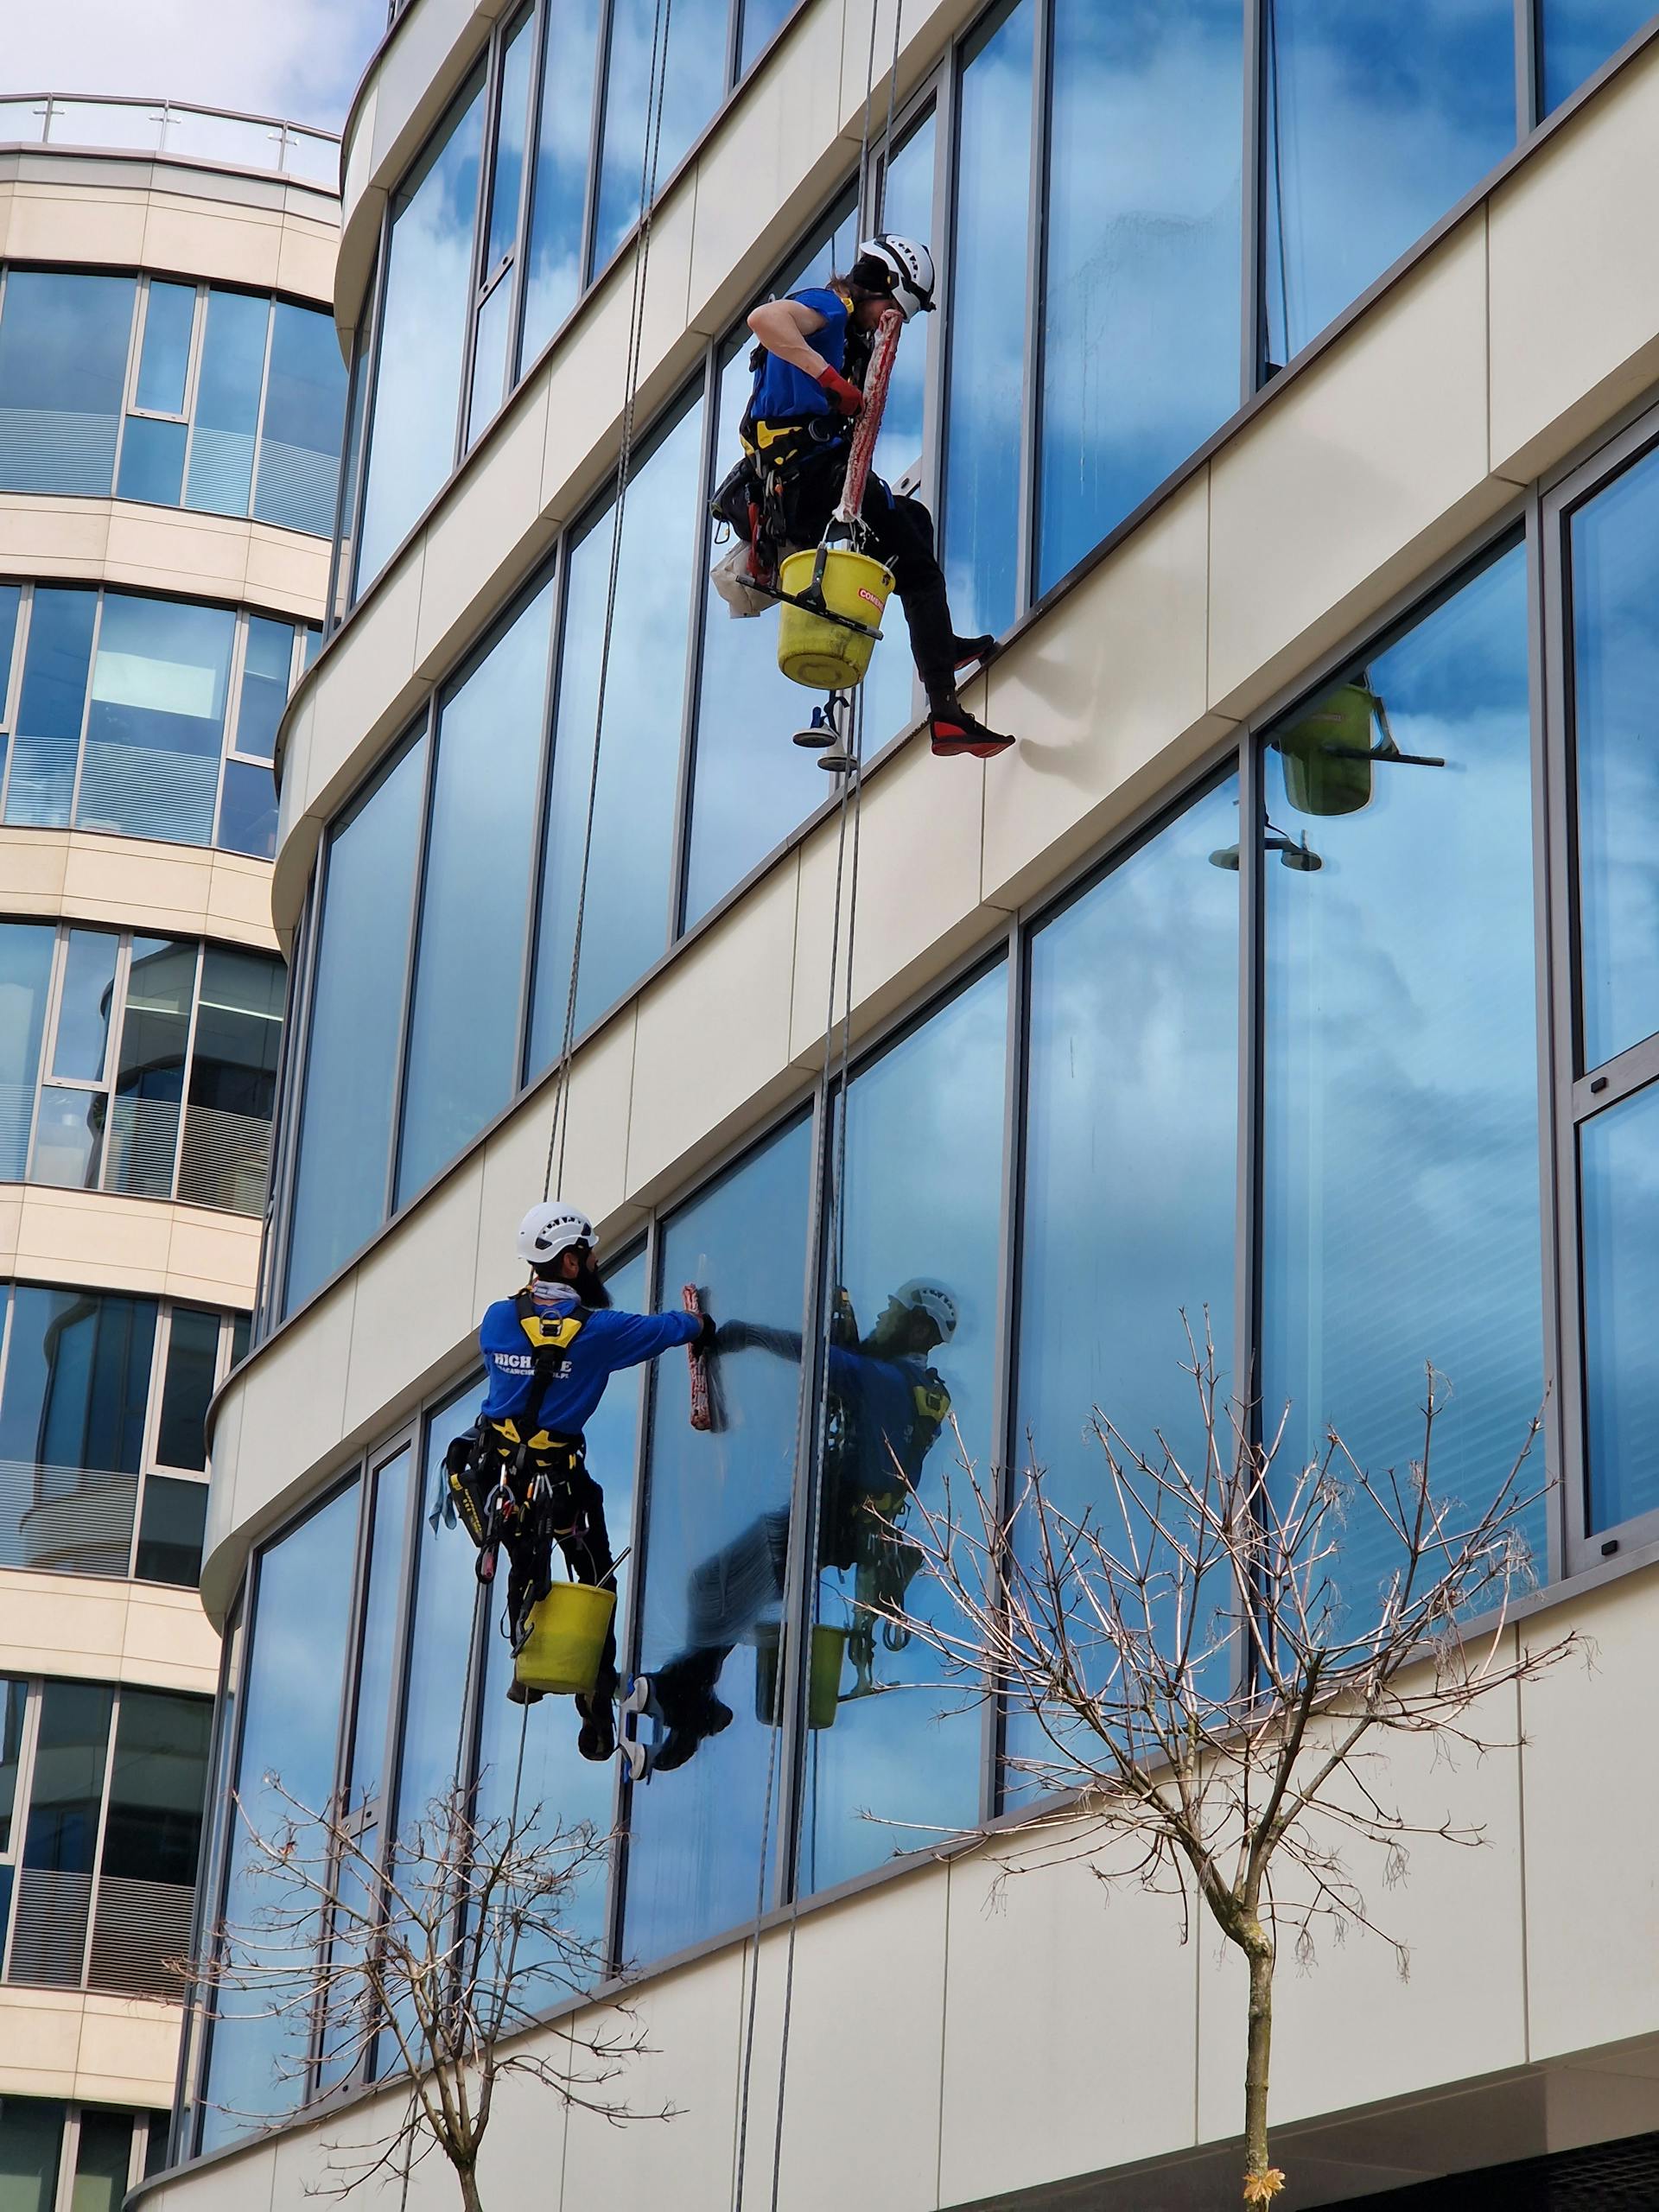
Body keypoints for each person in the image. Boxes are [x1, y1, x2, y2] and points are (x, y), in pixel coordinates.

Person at [629, 1277, 957, 1772]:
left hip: (825, 1524)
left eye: (892, 1312)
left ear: (914, 1327)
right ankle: (693, 1711)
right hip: (846, 1526)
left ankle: (686, 1701)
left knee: (711, 1588)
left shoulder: (885, 1382)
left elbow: (822, 1360)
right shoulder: (917, 1389)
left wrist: (746, 1335)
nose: (881, 1318)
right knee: (730, 1599)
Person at [723, 234, 1014, 762]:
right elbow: (765, 322)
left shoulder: (849, 335)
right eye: (895, 308)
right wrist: (831, 381)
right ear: (880, 283)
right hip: (808, 482)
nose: (891, 322)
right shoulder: (830, 307)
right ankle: (945, 715)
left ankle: (940, 648)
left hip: (807, 490)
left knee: (913, 521)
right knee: (921, 574)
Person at [446, 1201, 714, 1761]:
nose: (595, 1265)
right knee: (596, 1583)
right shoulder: (599, 1333)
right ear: (569, 1262)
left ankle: (530, 1667)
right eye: (587, 1257)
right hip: (561, 1486)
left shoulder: (498, 1320)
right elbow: (669, 1329)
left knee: (526, 1569)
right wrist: (701, 1324)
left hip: (504, 1479)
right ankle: (594, 1704)